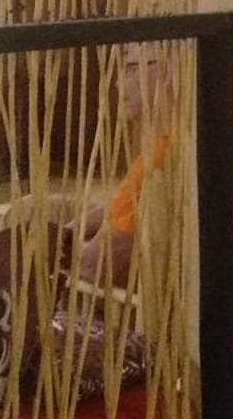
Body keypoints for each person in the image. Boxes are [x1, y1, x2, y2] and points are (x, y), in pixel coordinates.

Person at [73, 43, 177, 285]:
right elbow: (121, 204)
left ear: (168, 72)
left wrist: (55, 248)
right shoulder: (165, 141)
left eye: (130, 70)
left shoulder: (159, 160)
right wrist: (71, 229)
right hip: (104, 228)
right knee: (33, 209)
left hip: (100, 271)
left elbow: (94, 263)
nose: (118, 84)